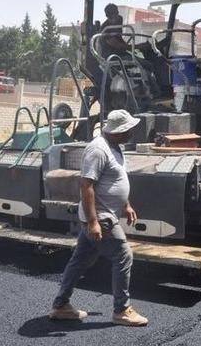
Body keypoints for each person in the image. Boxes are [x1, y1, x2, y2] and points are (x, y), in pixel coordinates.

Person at [49, 109, 148, 327]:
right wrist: (93, 222)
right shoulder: (97, 149)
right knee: (123, 256)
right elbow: (87, 185)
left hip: (104, 214)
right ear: (118, 131)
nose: (132, 132)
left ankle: (60, 305)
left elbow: (115, 181)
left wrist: (126, 204)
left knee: (80, 260)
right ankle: (122, 310)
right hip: (101, 217)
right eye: (128, 129)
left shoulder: (115, 148)